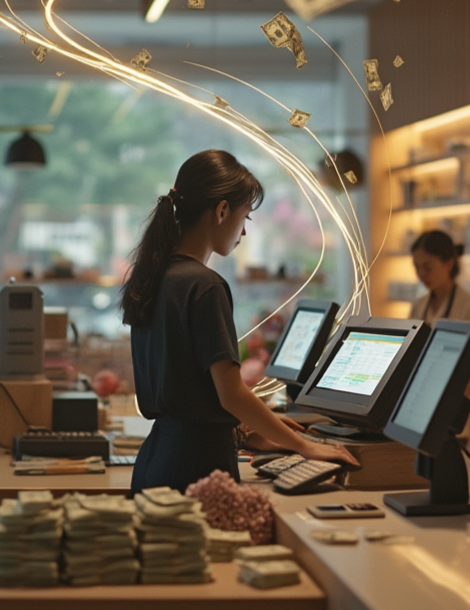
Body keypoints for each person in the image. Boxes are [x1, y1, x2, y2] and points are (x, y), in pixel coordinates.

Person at [121, 149, 358, 493]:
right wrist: (304, 446)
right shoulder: (205, 285)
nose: (244, 233)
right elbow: (231, 394)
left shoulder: (153, 277)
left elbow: (190, 392)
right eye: (245, 217)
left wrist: (252, 431)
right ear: (221, 211)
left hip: (157, 460)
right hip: (198, 468)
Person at [409, 230, 470, 399]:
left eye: (427, 267)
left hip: (447, 407)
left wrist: (455, 386)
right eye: (417, 267)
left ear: (449, 263)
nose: (421, 274)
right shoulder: (418, 306)